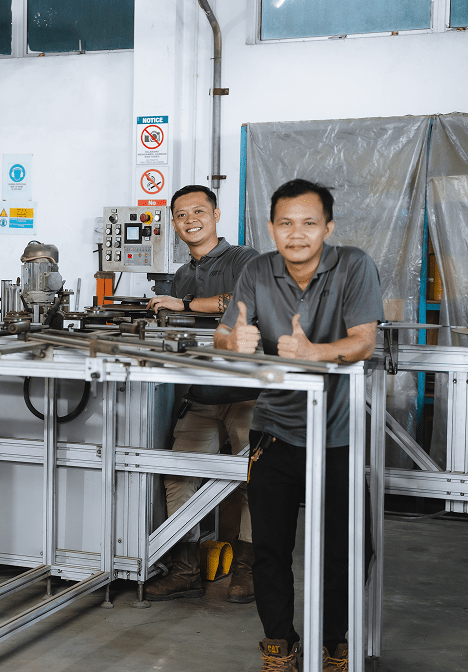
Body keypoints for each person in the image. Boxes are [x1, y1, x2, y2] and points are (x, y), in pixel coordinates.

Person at [214, 179, 382, 671]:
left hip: (338, 436)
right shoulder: (257, 272)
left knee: (348, 550)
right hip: (275, 431)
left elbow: (363, 342)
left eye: (309, 223)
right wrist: (235, 343)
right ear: (271, 228)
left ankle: (334, 641)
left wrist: (314, 354)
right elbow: (226, 334)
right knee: (269, 548)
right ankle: (279, 644)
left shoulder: (353, 265)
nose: (297, 233)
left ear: (327, 227)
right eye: (286, 223)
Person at [143, 184, 260, 603]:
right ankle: (186, 567)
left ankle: (248, 570)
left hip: (248, 391)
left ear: (216, 214)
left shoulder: (245, 259)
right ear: (173, 223)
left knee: (255, 481)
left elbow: (244, 301)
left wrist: (184, 305)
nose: (190, 219)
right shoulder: (181, 274)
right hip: (202, 393)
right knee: (179, 474)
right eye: (181, 214)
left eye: (198, 211)